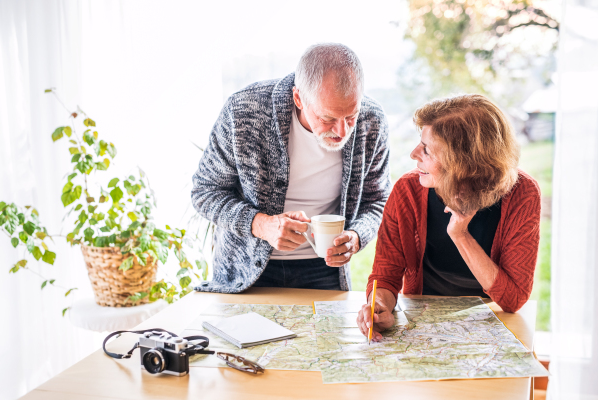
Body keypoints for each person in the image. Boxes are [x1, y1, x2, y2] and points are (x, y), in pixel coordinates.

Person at [191, 43, 390, 293]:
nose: (342, 132)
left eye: (351, 116)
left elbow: (378, 200)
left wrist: (357, 236)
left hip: (325, 270)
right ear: (298, 98)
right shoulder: (243, 111)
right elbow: (205, 192)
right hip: (246, 272)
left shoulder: (372, 121)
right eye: (327, 118)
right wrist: (261, 225)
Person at [357, 94, 541, 341]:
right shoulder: (408, 190)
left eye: (427, 150)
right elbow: (386, 275)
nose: (413, 154)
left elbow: (512, 300)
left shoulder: (522, 194)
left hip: (490, 325)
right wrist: (379, 306)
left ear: (463, 164)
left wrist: (460, 234)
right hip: (423, 322)